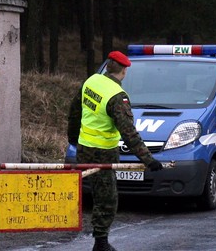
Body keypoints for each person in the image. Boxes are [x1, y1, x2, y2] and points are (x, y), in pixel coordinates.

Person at [66, 51, 163, 251]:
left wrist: (73, 139)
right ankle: (100, 243)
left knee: (98, 194)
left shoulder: (91, 81)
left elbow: (74, 111)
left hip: (84, 148)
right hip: (103, 153)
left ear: (108, 66)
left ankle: (100, 241)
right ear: (124, 71)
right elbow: (129, 133)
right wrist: (148, 159)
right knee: (108, 199)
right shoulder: (117, 96)